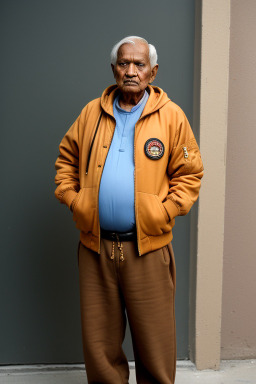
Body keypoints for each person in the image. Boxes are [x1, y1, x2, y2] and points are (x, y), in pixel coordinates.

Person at [54, 36, 204, 384]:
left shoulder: (172, 117)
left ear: (153, 72)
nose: (131, 71)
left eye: (139, 65)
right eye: (124, 63)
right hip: (95, 248)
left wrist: (162, 213)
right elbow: (65, 161)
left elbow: (190, 173)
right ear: (113, 69)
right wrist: (75, 200)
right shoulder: (91, 112)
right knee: (100, 345)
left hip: (148, 248)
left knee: (155, 344)